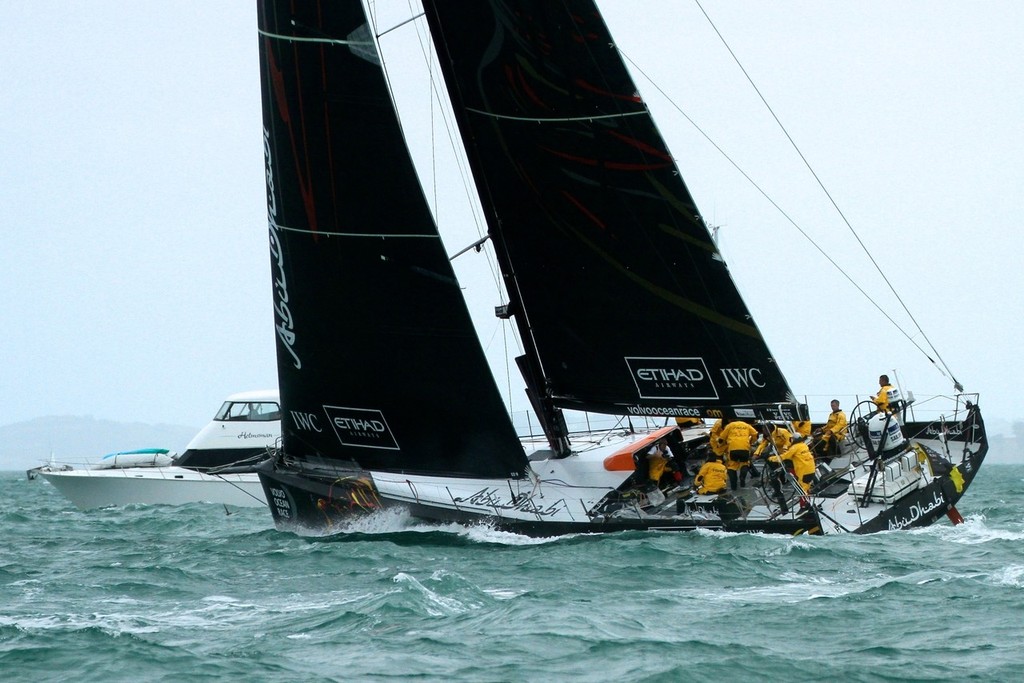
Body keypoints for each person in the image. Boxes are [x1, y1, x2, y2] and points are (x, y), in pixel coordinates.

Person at [719, 419, 759, 490]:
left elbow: (722, 438)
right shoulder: (746, 425)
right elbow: (756, 434)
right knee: (744, 464)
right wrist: (751, 441)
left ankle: (733, 486)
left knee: (732, 466)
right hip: (744, 448)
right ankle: (742, 477)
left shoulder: (729, 425)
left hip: (733, 449)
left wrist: (721, 444)